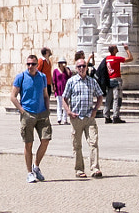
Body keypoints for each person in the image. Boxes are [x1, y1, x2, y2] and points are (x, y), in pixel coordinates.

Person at [10, 53, 53, 183]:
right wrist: (22, 110)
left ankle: (36, 166)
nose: (30, 66)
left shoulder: (42, 77)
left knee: (46, 139)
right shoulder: (21, 77)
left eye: (33, 64)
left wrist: (47, 109)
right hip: (27, 114)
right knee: (28, 144)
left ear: (37, 65)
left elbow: (45, 95)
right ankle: (29, 172)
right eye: (28, 64)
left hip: (42, 113)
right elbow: (13, 96)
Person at [63, 54, 106, 179]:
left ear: (87, 68)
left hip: (89, 117)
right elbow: (64, 98)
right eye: (79, 66)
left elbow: (99, 96)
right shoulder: (71, 81)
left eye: (84, 66)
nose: (82, 68)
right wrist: (68, 112)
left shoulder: (92, 81)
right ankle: (79, 169)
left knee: (93, 142)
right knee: (77, 145)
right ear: (76, 68)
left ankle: (95, 168)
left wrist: (95, 109)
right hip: (76, 118)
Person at [103, 45, 124, 122]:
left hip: (110, 80)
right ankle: (115, 116)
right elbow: (130, 58)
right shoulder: (116, 58)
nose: (117, 48)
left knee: (108, 98)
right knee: (117, 98)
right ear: (114, 50)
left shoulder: (107, 59)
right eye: (116, 48)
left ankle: (106, 115)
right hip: (116, 79)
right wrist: (127, 49)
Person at [50, 57, 70, 124]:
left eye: (63, 63)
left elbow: (69, 75)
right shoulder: (55, 71)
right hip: (59, 89)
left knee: (65, 104)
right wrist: (54, 87)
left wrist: (66, 68)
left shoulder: (66, 71)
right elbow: (54, 80)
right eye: (61, 63)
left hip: (65, 88)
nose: (62, 64)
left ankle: (65, 119)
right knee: (59, 104)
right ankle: (59, 118)